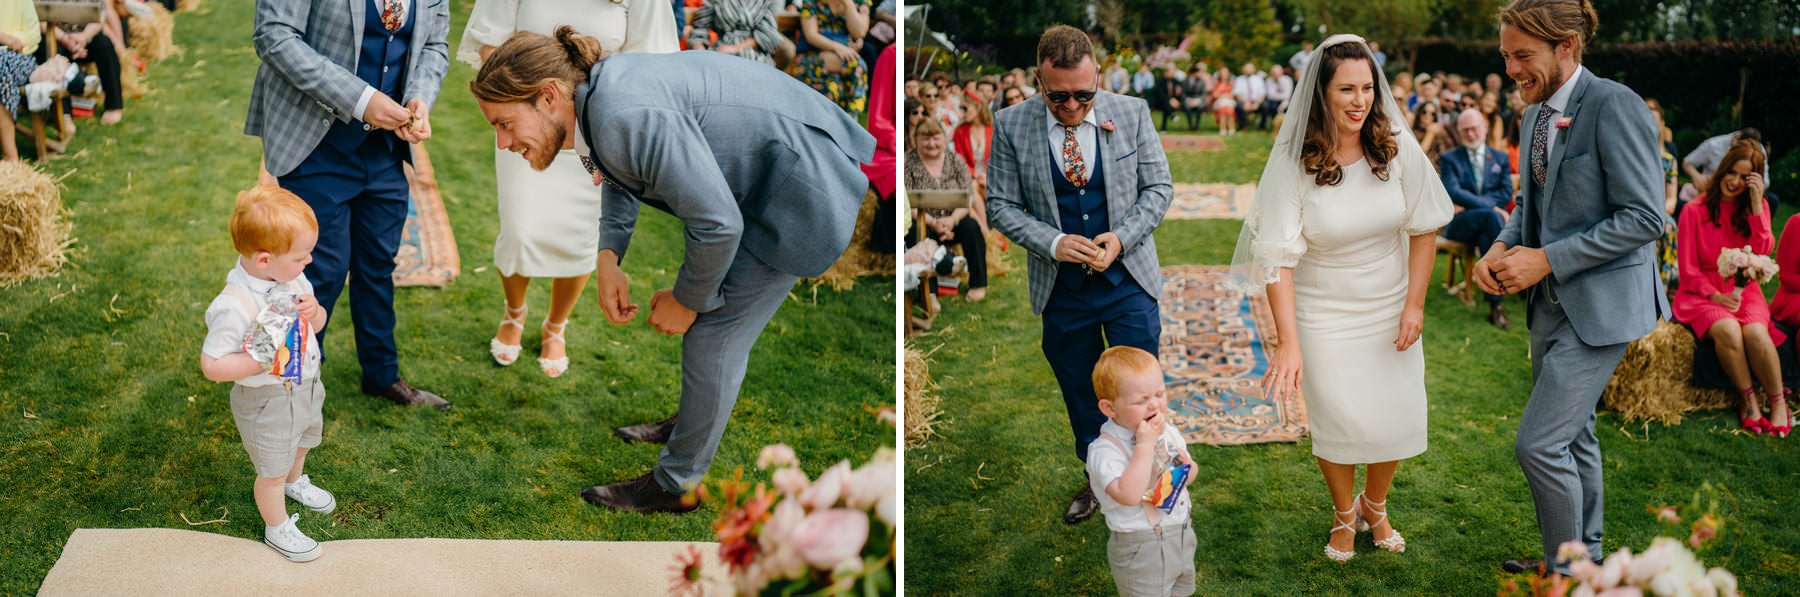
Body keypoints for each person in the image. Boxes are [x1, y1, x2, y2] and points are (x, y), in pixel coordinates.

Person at [470, 27, 875, 512]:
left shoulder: (620, 112)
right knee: (708, 330)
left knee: (712, 337)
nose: (502, 142)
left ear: (548, 96)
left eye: (505, 124)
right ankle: (689, 426)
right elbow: (616, 172)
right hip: (759, 185)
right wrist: (609, 257)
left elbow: (718, 224)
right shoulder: (595, 102)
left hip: (798, 195)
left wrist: (687, 301)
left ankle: (675, 485)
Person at [1229, 34, 1453, 562]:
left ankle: (1375, 505)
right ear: (1321, 93)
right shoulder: (1294, 158)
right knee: (1338, 419)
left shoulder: (1395, 141)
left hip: (1390, 303)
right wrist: (1289, 342)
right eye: (1346, 89)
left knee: (1392, 416)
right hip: (1322, 310)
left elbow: (1425, 225)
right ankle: (1343, 513)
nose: (1359, 101)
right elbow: (1277, 257)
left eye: (1368, 89)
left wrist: (1414, 304)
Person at [1477, 0, 1669, 576]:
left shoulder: (1615, 104)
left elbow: (1644, 217)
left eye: (1522, 56)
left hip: (1604, 306)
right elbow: (1527, 209)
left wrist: (1546, 261)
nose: (1512, 69)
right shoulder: (1534, 115)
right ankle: (1584, 559)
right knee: (1575, 436)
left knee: (1538, 445)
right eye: (1507, 56)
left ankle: (1563, 578)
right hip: (1550, 310)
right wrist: (1499, 247)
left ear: (1567, 46)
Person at [986, 24, 1173, 525]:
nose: (1072, 106)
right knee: (1083, 392)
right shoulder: (1009, 124)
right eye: (1059, 96)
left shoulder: (1131, 113)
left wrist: (1122, 237)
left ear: (1099, 76)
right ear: (1037, 80)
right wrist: (1053, 242)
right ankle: (1100, 480)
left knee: (1141, 389)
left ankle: (1157, 475)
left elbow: (1158, 188)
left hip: (1128, 279)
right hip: (1062, 290)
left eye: (1084, 95)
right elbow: (1000, 205)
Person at [246, 0, 453, 410]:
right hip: (315, 140)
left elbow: (434, 44)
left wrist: (419, 96)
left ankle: (382, 375)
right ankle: (293, 385)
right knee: (316, 270)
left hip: (384, 149)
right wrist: (360, 99)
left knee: (377, 263)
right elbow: (275, 36)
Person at [459, 0, 676, 378]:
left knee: (580, 236)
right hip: (526, 119)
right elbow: (489, 40)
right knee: (518, 232)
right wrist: (529, 109)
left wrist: (596, 115)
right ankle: (514, 312)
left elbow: (653, 62)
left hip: (598, 128)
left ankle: (556, 326)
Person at [200, 186, 338, 562]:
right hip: (267, 399)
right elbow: (212, 366)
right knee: (271, 469)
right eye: (301, 256)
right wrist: (259, 360)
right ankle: (277, 527)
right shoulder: (234, 305)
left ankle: (295, 481)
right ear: (264, 260)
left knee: (306, 439)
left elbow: (318, 322)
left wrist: (315, 314)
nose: (309, 261)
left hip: (306, 382)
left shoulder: (291, 279)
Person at [1673, 141, 1789, 436]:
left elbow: (1763, 251)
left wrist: (1755, 204)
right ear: (1723, 169)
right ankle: (1748, 399)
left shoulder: (1755, 207)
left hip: (1744, 289)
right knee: (1727, 329)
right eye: (1731, 173)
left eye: (1744, 177)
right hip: (1702, 292)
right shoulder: (1693, 211)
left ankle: (1777, 404)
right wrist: (1715, 295)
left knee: (1755, 332)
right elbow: (1687, 271)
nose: (1735, 182)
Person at [1085, 346, 1196, 597]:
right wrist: (1145, 446)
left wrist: (1184, 467)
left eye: (1159, 393)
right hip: (1141, 546)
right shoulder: (1105, 451)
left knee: (1182, 588)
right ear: (1110, 408)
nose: (1154, 404)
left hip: (1180, 532)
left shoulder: (1166, 431)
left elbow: (1189, 471)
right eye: (1141, 400)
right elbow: (1129, 495)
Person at [1440, 108, 1515, 329]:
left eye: (1473, 129)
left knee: (1488, 229)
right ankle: (1498, 296)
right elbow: (1453, 191)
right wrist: (1492, 207)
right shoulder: (1450, 158)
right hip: (1459, 225)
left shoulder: (1499, 158)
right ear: (1459, 132)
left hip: (1484, 223)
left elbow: (1505, 191)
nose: (1470, 135)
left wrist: (1481, 206)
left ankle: (1495, 304)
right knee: (1492, 218)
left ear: (1484, 127)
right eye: (1465, 131)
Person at [908, 118, 987, 301]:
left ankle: (978, 284)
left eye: (936, 138)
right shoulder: (907, 162)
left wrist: (952, 221)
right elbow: (908, 203)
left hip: (954, 217)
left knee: (972, 229)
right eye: (925, 138)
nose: (931, 144)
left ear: (944, 138)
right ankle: (929, 293)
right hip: (924, 220)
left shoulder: (955, 160)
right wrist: (933, 223)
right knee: (916, 234)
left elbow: (967, 197)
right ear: (916, 139)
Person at [794, 0, 870, 117]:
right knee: (857, 66)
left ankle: (848, 122)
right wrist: (838, 47)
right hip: (813, 55)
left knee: (840, 81)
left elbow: (859, 32)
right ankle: (848, 122)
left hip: (843, 56)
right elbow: (811, 35)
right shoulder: (811, 2)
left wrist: (848, 3)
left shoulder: (860, 2)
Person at [686, 0, 786, 66]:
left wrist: (735, 48)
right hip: (721, 48)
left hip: (754, 50)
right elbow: (701, 26)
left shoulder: (768, 1)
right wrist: (701, 50)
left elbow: (767, 32)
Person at [0, 0, 38, 162]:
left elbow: (34, 34)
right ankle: (11, 155)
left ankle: (10, 154)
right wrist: (3, 37)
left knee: (1, 63)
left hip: (20, 58)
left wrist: (13, 41)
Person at [953, 89, 993, 230]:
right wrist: (975, 176)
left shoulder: (992, 129)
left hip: (990, 177)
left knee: (974, 189)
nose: (962, 112)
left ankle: (986, 233)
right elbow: (960, 160)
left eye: (965, 108)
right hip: (969, 177)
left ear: (977, 106)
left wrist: (988, 177)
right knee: (972, 187)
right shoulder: (960, 131)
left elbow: (999, 160)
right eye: (960, 108)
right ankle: (986, 233)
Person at [1411, 100, 1449, 165]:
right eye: (1424, 112)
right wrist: (1430, 134)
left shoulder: (1441, 133)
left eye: (1432, 114)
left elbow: (1445, 158)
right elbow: (1417, 158)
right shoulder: (1412, 133)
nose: (1427, 116)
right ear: (1419, 114)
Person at [1181, 64, 1210, 132]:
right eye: (1198, 72)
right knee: (1187, 107)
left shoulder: (1202, 81)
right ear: (1193, 73)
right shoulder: (1185, 81)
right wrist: (1189, 100)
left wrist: (1197, 100)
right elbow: (1183, 93)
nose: (1199, 74)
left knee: (1200, 107)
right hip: (1188, 99)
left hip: (1198, 99)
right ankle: (1190, 126)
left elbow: (1203, 94)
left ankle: (1196, 126)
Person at [1211, 68, 1237, 136]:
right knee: (1224, 108)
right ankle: (1223, 129)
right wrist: (1224, 95)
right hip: (1219, 101)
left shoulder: (1231, 84)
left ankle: (1231, 129)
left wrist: (1223, 95)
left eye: (1226, 73)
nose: (1224, 75)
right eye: (1223, 73)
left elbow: (1233, 95)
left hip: (1229, 101)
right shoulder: (1217, 84)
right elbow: (1215, 95)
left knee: (1229, 108)